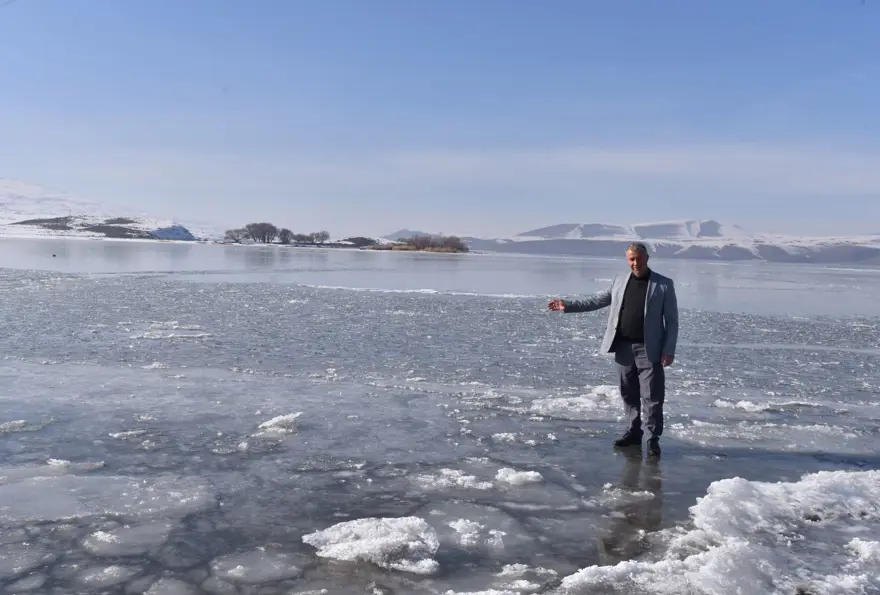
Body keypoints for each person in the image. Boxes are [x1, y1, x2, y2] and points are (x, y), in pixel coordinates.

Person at [548, 242, 678, 458]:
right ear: (627, 260)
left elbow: (672, 321)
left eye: (638, 258)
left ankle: (653, 437)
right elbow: (597, 301)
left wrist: (669, 349)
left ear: (647, 258)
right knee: (628, 393)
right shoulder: (620, 281)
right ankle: (633, 432)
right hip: (623, 347)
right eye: (631, 259)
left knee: (652, 396)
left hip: (649, 349)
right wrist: (567, 305)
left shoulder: (663, 285)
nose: (635, 263)